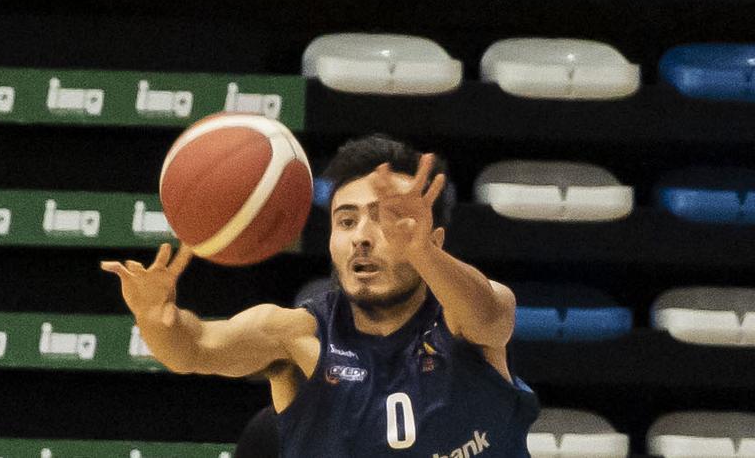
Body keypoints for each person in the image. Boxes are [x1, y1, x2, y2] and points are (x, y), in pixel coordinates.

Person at [101, 135, 540, 456]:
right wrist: (156, 316)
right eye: (346, 222)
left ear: (433, 239)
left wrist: (420, 253)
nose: (362, 239)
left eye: (386, 221)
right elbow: (193, 348)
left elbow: (487, 314)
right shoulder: (294, 337)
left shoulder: (467, 319)